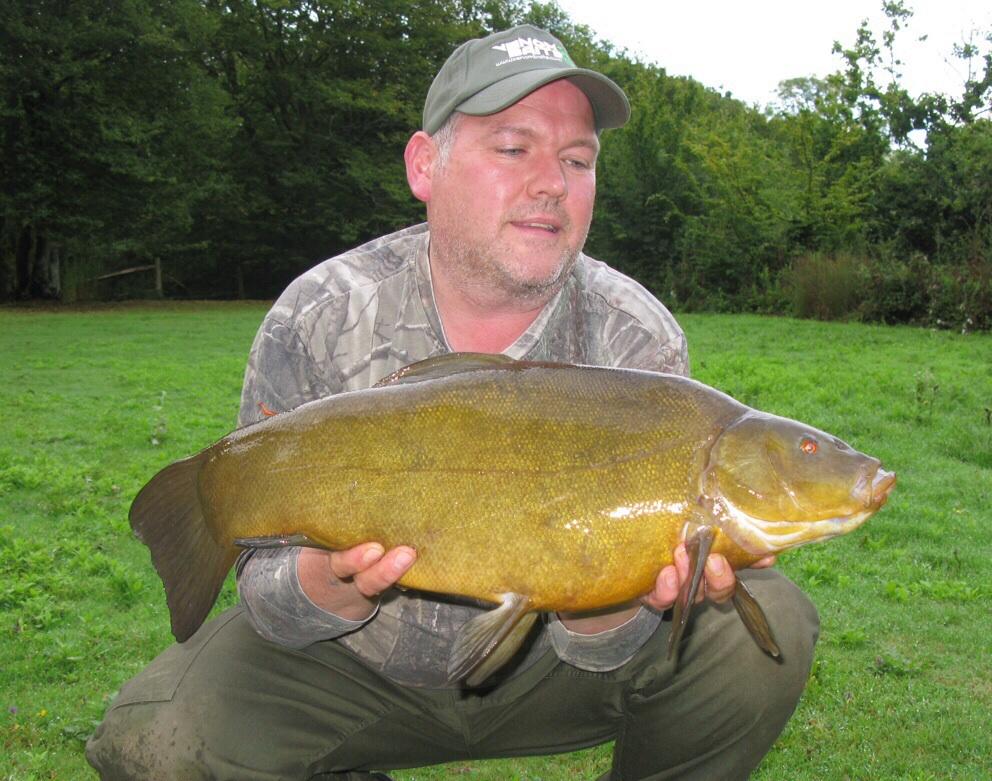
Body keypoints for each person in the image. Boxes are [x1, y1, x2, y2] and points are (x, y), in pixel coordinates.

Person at [87, 24, 819, 780]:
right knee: (155, 742)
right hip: (350, 665)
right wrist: (323, 581)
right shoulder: (320, 312)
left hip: (547, 670)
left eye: (577, 159)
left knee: (766, 625)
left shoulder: (638, 337)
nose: (552, 183)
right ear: (424, 164)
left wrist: (606, 597)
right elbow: (264, 593)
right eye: (513, 148)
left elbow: (599, 644)